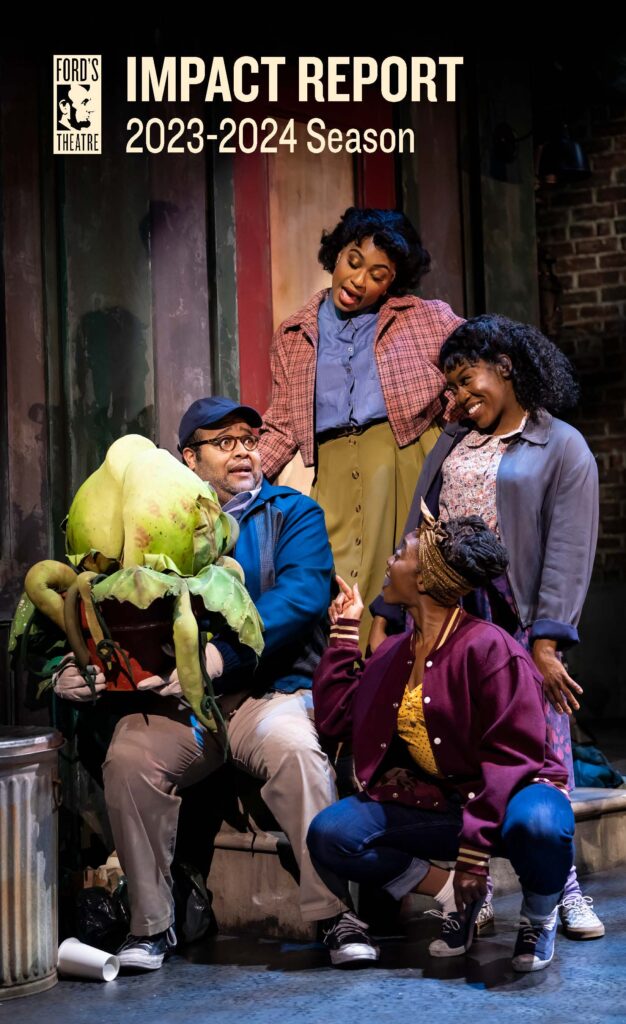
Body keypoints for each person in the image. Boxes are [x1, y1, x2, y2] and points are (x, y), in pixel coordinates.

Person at [53, 396, 351, 970]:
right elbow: (101, 603)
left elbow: (301, 598)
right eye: (224, 441)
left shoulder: (293, 513)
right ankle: (151, 926)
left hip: (268, 694)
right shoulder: (148, 526)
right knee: (130, 760)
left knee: (296, 753)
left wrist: (219, 656)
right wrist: (75, 663)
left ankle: (336, 914)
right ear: (189, 459)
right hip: (183, 707)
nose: (243, 449)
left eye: (249, 438)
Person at [368, 313, 604, 940]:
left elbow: (570, 547)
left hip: (520, 622)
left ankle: (562, 888)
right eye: (450, 386)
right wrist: (392, 618)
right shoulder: (450, 440)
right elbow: (418, 530)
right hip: (453, 621)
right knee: (462, 757)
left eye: (467, 379)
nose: (460, 396)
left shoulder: (560, 446)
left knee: (544, 758)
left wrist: (548, 640)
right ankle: (470, 890)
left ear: (504, 363)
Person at [307, 511, 575, 973]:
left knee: (542, 826)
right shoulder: (394, 652)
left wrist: (474, 854)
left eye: (399, 555)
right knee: (331, 835)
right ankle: (453, 894)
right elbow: (336, 720)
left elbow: (510, 759)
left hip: (509, 800)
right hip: (440, 803)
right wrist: (344, 634)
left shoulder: (491, 649)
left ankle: (538, 914)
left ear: (426, 578)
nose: (388, 564)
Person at [257, 207, 463, 641]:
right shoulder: (294, 334)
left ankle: (402, 697)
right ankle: (346, 694)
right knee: (335, 595)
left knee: (407, 592)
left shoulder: (423, 318)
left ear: (392, 282)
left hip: (408, 463)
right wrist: (240, 474)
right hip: (333, 473)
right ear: (336, 255)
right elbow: (282, 425)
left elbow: (475, 370)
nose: (359, 281)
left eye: (378, 274)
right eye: (354, 261)